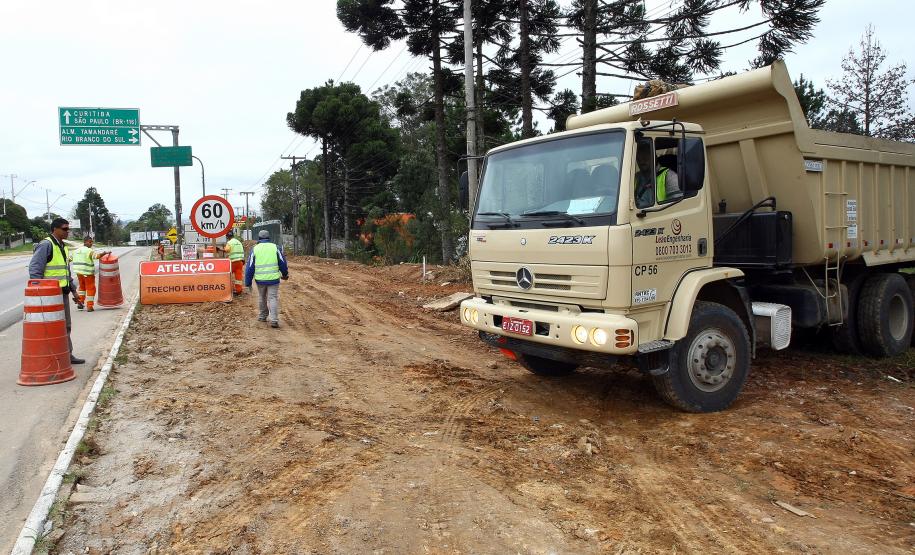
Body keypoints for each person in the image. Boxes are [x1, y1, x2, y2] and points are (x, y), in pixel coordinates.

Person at [28, 218, 84, 364]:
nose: (67, 232)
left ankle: (66, 355)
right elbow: (35, 270)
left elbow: (65, 272)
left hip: (62, 294)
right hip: (49, 296)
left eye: (68, 229)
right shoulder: (46, 245)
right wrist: (39, 293)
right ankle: (51, 358)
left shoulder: (63, 247)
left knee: (65, 326)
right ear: (55, 229)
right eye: (65, 229)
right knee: (50, 327)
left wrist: (74, 291)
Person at [244, 229, 288, 328]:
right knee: (272, 298)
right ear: (269, 238)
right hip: (273, 279)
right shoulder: (275, 247)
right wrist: (285, 274)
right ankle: (274, 320)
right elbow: (282, 263)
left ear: (259, 238)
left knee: (262, 297)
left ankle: (263, 316)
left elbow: (250, 267)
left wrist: (248, 282)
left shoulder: (255, 249)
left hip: (260, 280)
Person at [71, 236, 111, 312]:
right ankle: (89, 306)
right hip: (87, 273)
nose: (91, 243)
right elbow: (97, 256)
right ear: (85, 242)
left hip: (79, 273)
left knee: (82, 287)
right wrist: (105, 253)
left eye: (92, 242)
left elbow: (69, 259)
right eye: (90, 242)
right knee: (91, 288)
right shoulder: (89, 251)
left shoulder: (76, 251)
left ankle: (81, 302)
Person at [223, 230, 245, 295]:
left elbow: (227, 250)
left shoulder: (229, 242)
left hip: (233, 262)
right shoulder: (239, 242)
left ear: (227, 237)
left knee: (228, 276)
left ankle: (229, 289)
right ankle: (239, 290)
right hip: (240, 262)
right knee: (238, 276)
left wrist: (223, 249)